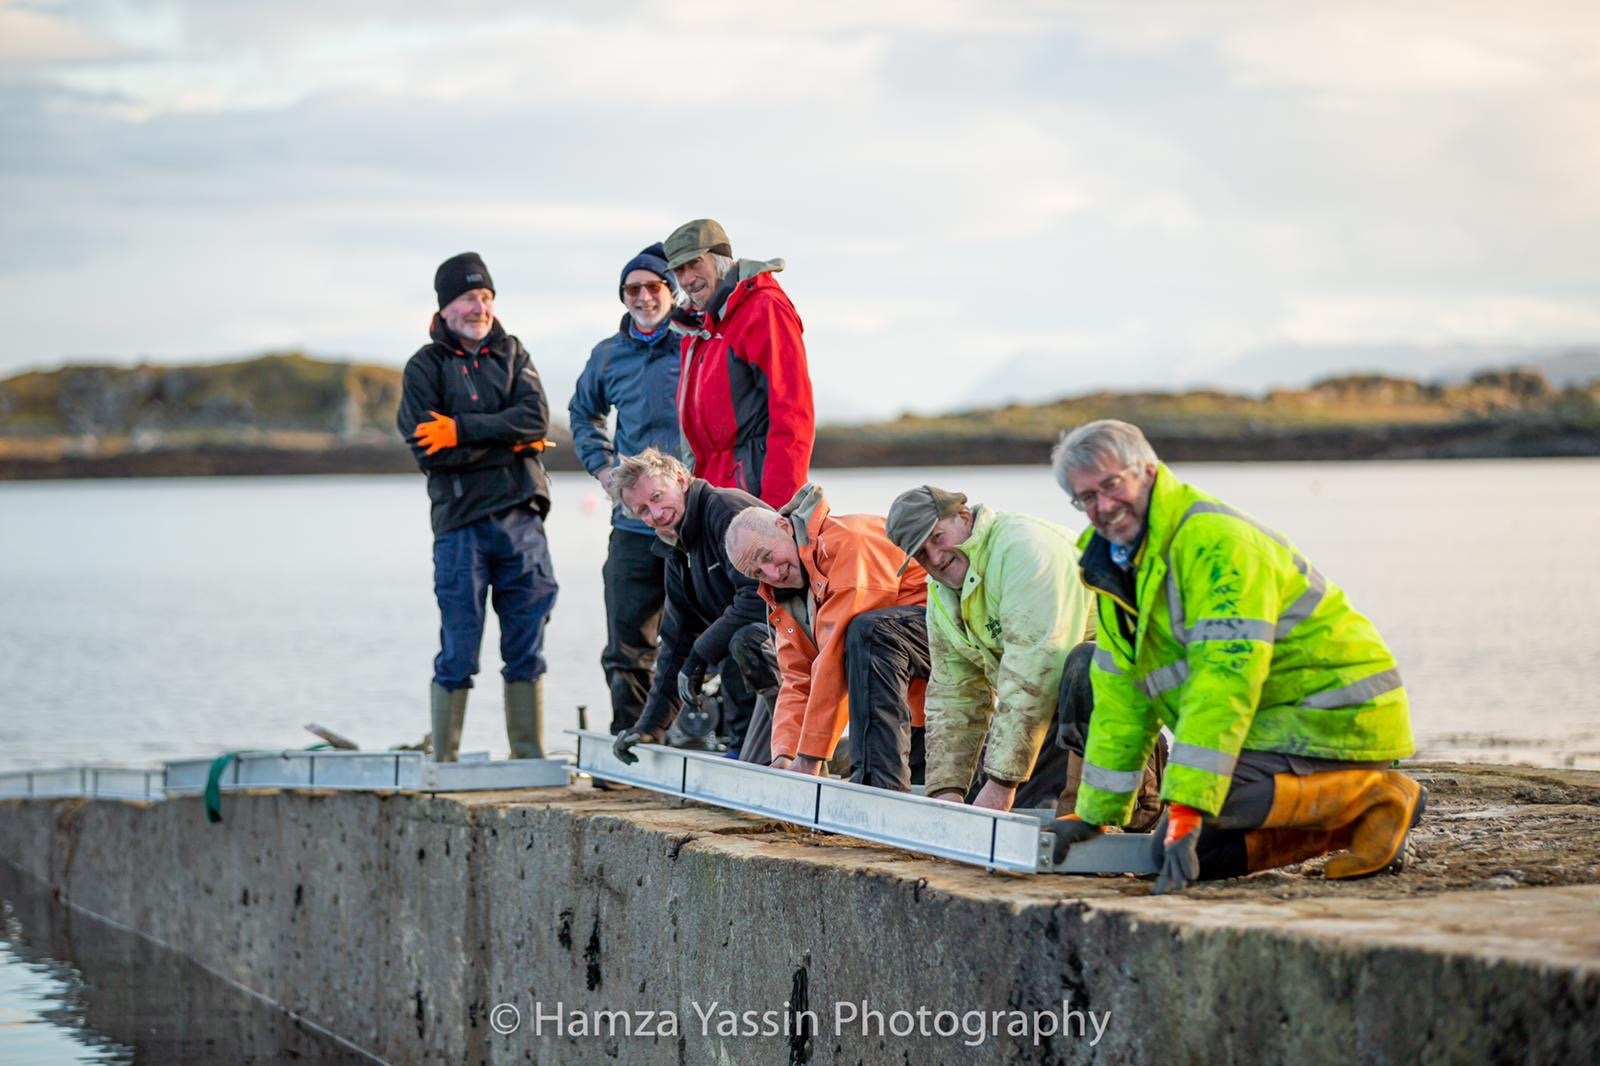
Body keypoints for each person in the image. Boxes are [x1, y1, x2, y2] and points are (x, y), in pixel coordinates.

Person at [1045, 420, 1422, 894]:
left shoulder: (1214, 541)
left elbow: (1223, 680)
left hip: (1333, 719)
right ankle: (1352, 827)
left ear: (1148, 468)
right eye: (1086, 498)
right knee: (1180, 855)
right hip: (1268, 729)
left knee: (1208, 802)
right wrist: (1093, 815)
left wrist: (1186, 806)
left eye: (1111, 485)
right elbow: (1123, 699)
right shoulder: (1114, 566)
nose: (1102, 506)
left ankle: (1376, 796)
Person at [885, 485, 1165, 824]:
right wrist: (948, 792)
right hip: (1056, 710)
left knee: (1084, 663)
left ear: (963, 516)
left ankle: (1139, 798)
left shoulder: (1024, 549)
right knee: (998, 801)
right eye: (921, 554)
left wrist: (1001, 784)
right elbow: (954, 693)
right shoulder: (942, 593)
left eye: (938, 538)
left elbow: (1034, 670)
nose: (936, 557)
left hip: (1136, 691)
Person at [396, 252, 558, 762]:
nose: (479, 307)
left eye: (486, 298)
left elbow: (535, 419)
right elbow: (427, 448)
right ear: (446, 308)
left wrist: (462, 430)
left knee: (527, 643)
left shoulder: (513, 353)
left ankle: (527, 758)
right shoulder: (425, 367)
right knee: (459, 647)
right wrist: (508, 443)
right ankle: (443, 761)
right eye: (468, 298)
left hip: (522, 518)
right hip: (460, 525)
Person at [724, 486, 928, 790]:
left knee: (865, 633)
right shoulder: (786, 596)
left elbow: (835, 657)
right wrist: (784, 754)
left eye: (767, 556)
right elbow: (797, 679)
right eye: (757, 573)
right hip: (897, 688)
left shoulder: (847, 543)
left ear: (784, 527)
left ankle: (879, 788)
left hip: (941, 647)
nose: (772, 573)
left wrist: (809, 757)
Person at [568, 243, 682, 737]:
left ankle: (726, 742)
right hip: (632, 523)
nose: (642, 296)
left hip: (694, 519)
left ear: (670, 291)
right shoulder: (608, 355)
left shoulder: (697, 343)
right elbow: (582, 413)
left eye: (653, 286)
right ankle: (632, 744)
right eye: (632, 289)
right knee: (627, 643)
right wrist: (602, 468)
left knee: (711, 633)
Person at [606, 449, 780, 765]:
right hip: (751, 643)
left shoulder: (726, 511)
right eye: (643, 509)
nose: (655, 514)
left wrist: (701, 653)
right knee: (724, 641)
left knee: (737, 638)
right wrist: (649, 727)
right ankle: (745, 752)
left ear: (682, 479)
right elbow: (677, 642)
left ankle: (782, 755)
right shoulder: (676, 545)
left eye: (657, 497)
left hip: (804, 633)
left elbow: (759, 598)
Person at [662, 218, 814, 507]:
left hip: (753, 503)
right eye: (678, 270)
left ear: (720, 260)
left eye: (695, 263)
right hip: (713, 501)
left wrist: (778, 510)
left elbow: (792, 412)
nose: (687, 279)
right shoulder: (700, 327)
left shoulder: (763, 308)